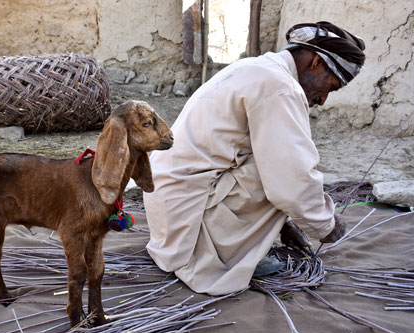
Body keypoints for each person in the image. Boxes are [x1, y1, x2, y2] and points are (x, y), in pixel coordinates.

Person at [143, 21, 366, 295]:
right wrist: (326, 226)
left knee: (275, 160)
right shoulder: (280, 86)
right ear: (317, 62)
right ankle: (226, 257)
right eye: (330, 86)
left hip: (170, 212)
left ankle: (232, 244)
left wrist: (283, 224)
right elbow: (292, 180)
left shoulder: (256, 68)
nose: (323, 99)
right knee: (283, 172)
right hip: (188, 226)